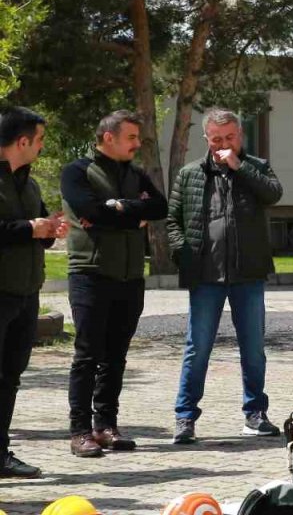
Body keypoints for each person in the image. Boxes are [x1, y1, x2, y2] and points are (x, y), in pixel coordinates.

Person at [167, 108, 284, 444]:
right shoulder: (190, 174)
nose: (223, 145)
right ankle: (185, 417)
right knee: (197, 348)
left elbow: (273, 194)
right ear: (206, 139)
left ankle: (255, 413)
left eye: (229, 138)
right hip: (205, 276)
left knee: (253, 348)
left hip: (248, 274)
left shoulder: (256, 167)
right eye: (216, 139)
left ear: (240, 136)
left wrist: (240, 167)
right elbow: (173, 220)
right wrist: (182, 252)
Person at [60, 110, 167, 458]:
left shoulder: (135, 173)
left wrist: (121, 207)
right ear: (109, 137)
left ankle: (105, 425)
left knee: (116, 356)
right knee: (88, 354)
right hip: (90, 274)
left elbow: (160, 208)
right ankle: (79, 431)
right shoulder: (77, 172)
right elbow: (89, 211)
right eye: (132, 138)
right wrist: (132, 214)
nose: (138, 144)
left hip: (130, 276)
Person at [0, 106, 67, 478]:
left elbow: (33, 230)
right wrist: (29, 228)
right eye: (39, 140)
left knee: (10, 376)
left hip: (25, 294)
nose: (42, 147)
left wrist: (49, 230)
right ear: (22, 141)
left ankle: (1, 454)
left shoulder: (30, 182)